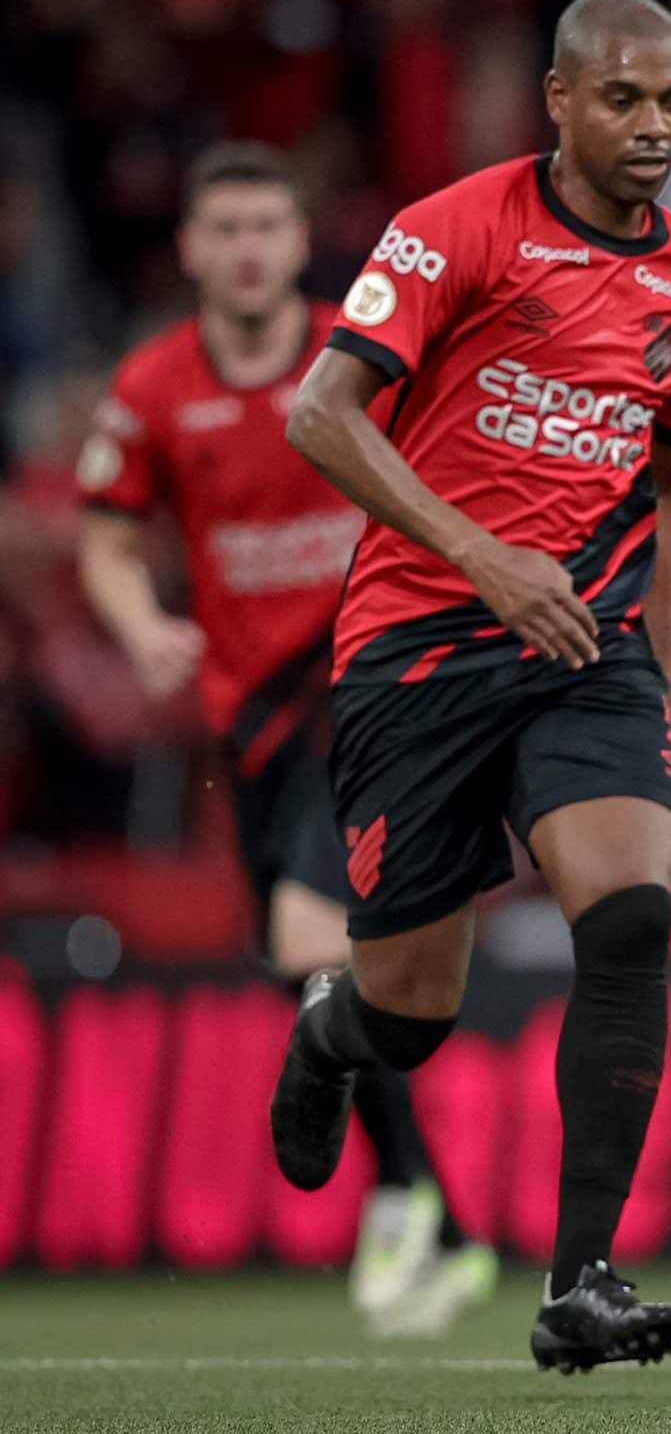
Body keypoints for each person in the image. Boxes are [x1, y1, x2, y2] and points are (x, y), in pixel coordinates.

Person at [263, 0, 671, 1373]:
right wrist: (483, 560)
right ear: (559, 99)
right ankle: (331, 1033)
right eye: (624, 101)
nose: (652, 128)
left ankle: (581, 1279)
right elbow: (319, 416)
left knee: (633, 917)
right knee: (411, 1017)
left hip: (587, 652)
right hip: (419, 646)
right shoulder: (453, 228)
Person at [76, 142, 495, 1337]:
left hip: (369, 683)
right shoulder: (154, 387)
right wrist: (138, 619)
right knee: (291, 963)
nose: (249, 247)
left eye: (269, 224)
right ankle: (431, 1212)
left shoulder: (357, 351)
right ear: (192, 250)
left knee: (309, 934)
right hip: (246, 719)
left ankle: (403, 1209)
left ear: (299, 238)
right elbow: (107, 533)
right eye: (228, 228)